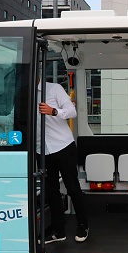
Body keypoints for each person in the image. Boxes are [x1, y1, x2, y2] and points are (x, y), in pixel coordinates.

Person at [38, 81, 89, 243]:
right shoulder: (24, 94)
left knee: (72, 187)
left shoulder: (54, 89)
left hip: (63, 146)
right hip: (41, 150)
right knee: (50, 191)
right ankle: (58, 231)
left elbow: (72, 111)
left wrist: (53, 111)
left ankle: (83, 225)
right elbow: (12, 117)